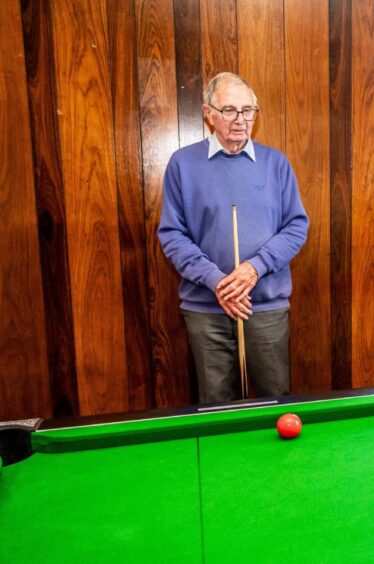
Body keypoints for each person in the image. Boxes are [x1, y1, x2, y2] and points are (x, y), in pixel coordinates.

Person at [158, 72, 309, 403]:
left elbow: (296, 226)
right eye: (229, 110)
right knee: (216, 407)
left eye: (248, 111)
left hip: (266, 306)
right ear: (208, 113)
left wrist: (254, 268)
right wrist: (218, 282)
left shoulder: (276, 164)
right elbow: (172, 234)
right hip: (206, 310)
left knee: (276, 401)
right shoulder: (183, 164)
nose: (240, 120)